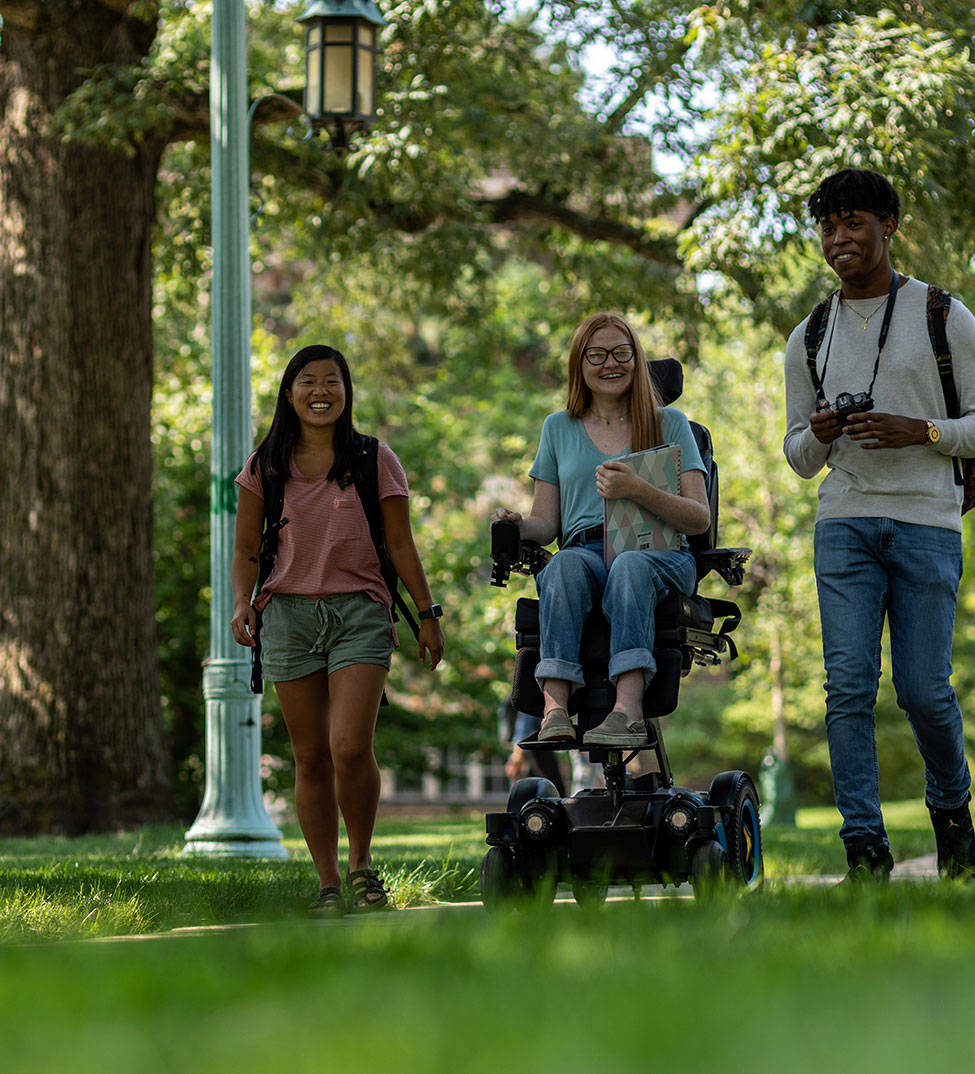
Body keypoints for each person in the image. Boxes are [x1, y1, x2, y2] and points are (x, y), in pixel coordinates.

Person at [782, 168, 975, 881]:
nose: (839, 239)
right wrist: (818, 431)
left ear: (889, 228)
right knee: (847, 687)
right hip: (844, 520)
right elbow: (797, 457)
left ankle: (952, 814)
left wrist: (922, 432)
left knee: (922, 690)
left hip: (926, 524)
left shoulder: (943, 315)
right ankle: (865, 848)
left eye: (854, 224)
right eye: (828, 227)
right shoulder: (810, 335)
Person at [231, 344, 445, 916]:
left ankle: (360, 867)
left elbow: (400, 544)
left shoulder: (375, 459)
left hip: (360, 611)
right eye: (308, 381)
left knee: (349, 747)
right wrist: (240, 604)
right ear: (288, 393)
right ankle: (327, 883)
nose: (320, 391)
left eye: (332, 381)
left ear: (347, 393)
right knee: (310, 756)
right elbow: (247, 551)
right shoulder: (263, 467)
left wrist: (427, 614)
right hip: (288, 617)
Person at [492, 313, 711, 749]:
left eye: (621, 353)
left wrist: (638, 489)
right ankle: (555, 709)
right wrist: (519, 524)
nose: (610, 363)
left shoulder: (670, 423)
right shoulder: (558, 427)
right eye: (596, 354)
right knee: (564, 566)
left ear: (636, 359)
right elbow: (547, 524)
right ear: (580, 364)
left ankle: (626, 712)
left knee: (629, 565)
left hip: (660, 551)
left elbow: (698, 518)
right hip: (586, 548)